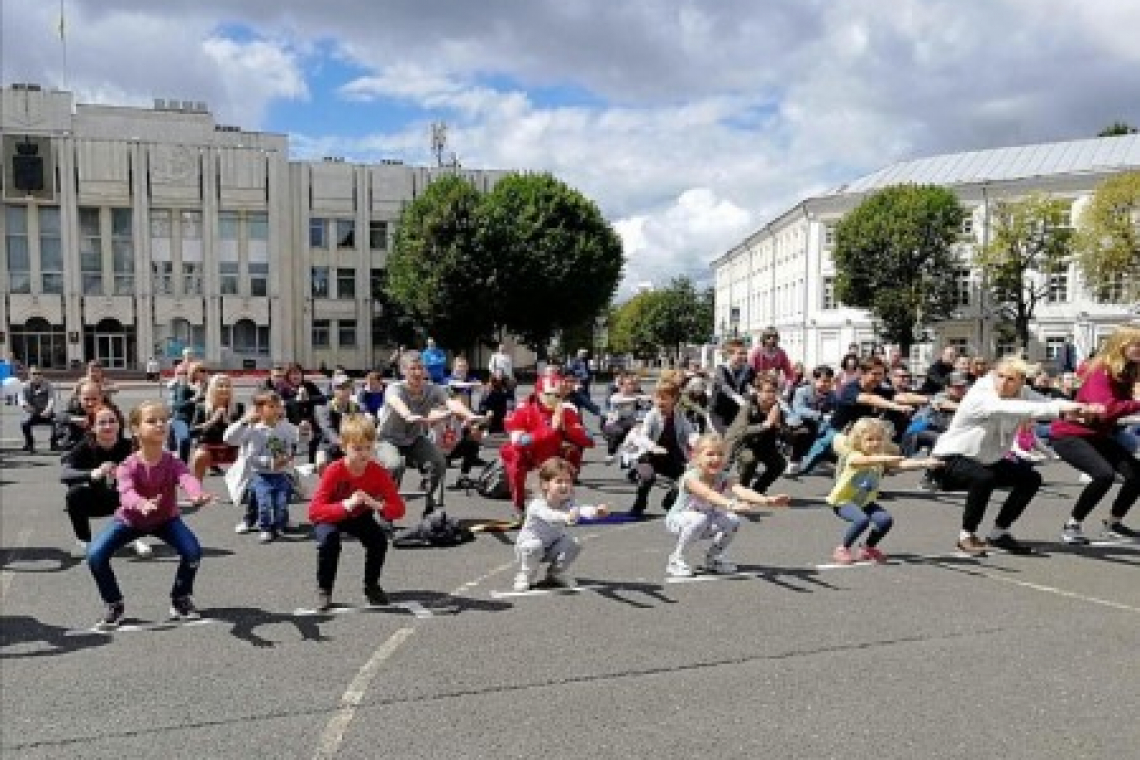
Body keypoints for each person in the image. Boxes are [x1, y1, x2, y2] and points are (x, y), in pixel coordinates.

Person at [932, 357, 1091, 556]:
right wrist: (1062, 410)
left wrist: (1083, 408)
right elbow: (1016, 409)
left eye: (1010, 379)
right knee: (983, 478)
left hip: (987, 460)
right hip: (949, 459)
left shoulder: (1024, 393)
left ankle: (999, 533)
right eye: (999, 376)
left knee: (1030, 478)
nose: (1003, 383)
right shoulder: (981, 393)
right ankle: (966, 536)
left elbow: (1047, 403)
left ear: (1021, 381)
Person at [86, 401, 214, 631]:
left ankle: (180, 599)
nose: (159, 424)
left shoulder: (172, 461)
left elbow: (187, 478)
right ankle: (114, 604)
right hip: (130, 520)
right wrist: (141, 503)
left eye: (163, 420)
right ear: (135, 429)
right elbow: (125, 493)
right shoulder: (127, 465)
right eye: (151, 421)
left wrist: (197, 494)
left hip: (166, 520)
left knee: (192, 551)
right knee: (95, 555)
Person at [1051, 325, 1140, 544]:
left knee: (1137, 475)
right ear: (1122, 345)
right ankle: (1072, 526)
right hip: (1070, 435)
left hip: (1096, 434)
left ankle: (1113, 523)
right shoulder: (1101, 370)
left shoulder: (1126, 371)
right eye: (1137, 344)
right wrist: (1136, 404)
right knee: (1103, 475)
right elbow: (1105, 408)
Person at [308, 416, 406, 612]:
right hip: (332, 515)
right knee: (329, 540)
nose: (364, 454)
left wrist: (377, 505)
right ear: (344, 447)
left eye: (368, 448)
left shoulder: (378, 472)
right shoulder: (334, 471)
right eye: (358, 448)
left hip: (360, 515)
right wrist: (346, 505)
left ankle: (371, 585)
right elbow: (314, 511)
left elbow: (399, 509)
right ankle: (324, 588)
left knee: (378, 540)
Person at [664, 433, 791, 578]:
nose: (716, 459)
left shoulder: (723, 477)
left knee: (732, 521)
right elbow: (708, 494)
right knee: (698, 519)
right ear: (696, 456)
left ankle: (713, 559)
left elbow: (742, 491)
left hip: (705, 519)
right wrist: (731, 504)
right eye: (710, 454)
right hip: (678, 521)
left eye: (720, 454)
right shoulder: (691, 478)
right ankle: (676, 560)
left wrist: (768, 501)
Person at [377, 350, 481, 517]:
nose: (418, 373)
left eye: (421, 368)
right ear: (404, 371)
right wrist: (407, 415)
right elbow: (396, 403)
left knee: (439, 462)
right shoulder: (394, 388)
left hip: (413, 439)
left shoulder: (433, 389)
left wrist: (469, 415)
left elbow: (451, 403)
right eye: (413, 369)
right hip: (387, 440)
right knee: (395, 465)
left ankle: (431, 508)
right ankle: (387, 511)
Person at [826, 418, 941, 564]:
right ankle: (842, 549)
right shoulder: (854, 455)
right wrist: (885, 458)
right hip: (843, 501)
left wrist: (925, 463)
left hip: (865, 501)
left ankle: (867, 548)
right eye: (869, 439)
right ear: (857, 440)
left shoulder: (879, 459)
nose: (875, 443)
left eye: (879, 439)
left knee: (885, 520)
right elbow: (863, 462)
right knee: (861, 520)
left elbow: (902, 464)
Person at [59, 403, 152, 559]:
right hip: (97, 498)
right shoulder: (84, 447)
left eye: (112, 421)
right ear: (93, 427)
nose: (108, 426)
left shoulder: (131, 446)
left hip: (125, 499)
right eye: (102, 423)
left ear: (119, 424)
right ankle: (83, 541)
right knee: (73, 494)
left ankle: (136, 537)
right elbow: (65, 474)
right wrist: (92, 473)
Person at [799, 358, 919, 476]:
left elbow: (902, 397)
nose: (878, 378)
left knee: (890, 451)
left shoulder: (881, 390)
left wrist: (929, 400)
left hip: (859, 434)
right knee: (805, 468)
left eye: (881, 375)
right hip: (837, 434)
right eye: (875, 374)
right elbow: (869, 399)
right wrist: (895, 406)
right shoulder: (850, 389)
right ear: (862, 373)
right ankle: (826, 460)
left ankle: (865, 485)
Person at [501, 373, 595, 515]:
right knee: (515, 458)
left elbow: (588, 441)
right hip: (528, 453)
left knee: (572, 452)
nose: (555, 399)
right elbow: (519, 442)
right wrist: (551, 428)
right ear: (539, 393)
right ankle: (518, 505)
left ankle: (563, 500)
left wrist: (568, 429)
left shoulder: (567, 409)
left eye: (558, 395)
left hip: (552, 453)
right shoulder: (523, 410)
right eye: (550, 395)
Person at [512, 457, 608, 591]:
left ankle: (556, 573)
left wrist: (596, 512)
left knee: (574, 543)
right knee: (533, 546)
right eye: (559, 482)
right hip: (529, 547)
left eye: (568, 481)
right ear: (545, 484)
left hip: (552, 546)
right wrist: (566, 516)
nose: (564, 486)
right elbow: (550, 516)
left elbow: (581, 509)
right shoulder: (537, 504)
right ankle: (525, 575)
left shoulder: (568, 501)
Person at [226, 391, 300, 543]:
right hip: (258, 473)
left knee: (280, 500)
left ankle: (280, 522)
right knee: (261, 500)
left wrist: (305, 432)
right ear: (258, 410)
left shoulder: (285, 426)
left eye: (278, 406)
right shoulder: (252, 428)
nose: (276, 410)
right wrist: (244, 421)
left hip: (281, 473)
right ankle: (260, 525)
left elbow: (300, 438)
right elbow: (229, 439)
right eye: (271, 406)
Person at [630, 383, 697, 518]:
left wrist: (698, 442)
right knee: (647, 477)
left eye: (664, 398)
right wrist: (653, 447)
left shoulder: (679, 415)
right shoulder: (651, 415)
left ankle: (669, 502)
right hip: (649, 456)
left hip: (671, 456)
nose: (660, 402)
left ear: (674, 399)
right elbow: (642, 436)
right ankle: (639, 503)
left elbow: (690, 433)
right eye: (657, 398)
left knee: (688, 479)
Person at [724, 375, 786, 494]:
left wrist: (779, 426)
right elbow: (741, 431)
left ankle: (758, 490)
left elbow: (787, 436)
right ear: (758, 392)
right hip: (742, 443)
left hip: (763, 445)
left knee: (779, 463)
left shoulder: (777, 409)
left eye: (774, 391)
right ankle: (743, 491)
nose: (771, 395)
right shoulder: (748, 407)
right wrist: (765, 425)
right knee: (749, 460)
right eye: (767, 391)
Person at [189, 373, 244, 480]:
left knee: (247, 457)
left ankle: (243, 492)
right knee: (199, 456)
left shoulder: (238, 407)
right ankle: (196, 492)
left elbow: (243, 432)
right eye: (220, 386)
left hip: (232, 446)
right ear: (213, 388)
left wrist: (228, 422)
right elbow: (192, 432)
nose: (224, 389)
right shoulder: (202, 407)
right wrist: (212, 421)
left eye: (227, 386)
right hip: (209, 445)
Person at [787, 366, 836, 475]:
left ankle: (821, 459)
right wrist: (820, 416)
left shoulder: (832, 395)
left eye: (829, 381)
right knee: (805, 430)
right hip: (798, 423)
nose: (826, 384)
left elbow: (835, 410)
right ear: (814, 380)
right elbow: (799, 409)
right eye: (823, 381)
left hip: (820, 425)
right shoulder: (802, 391)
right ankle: (794, 461)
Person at [315, 377, 364, 474]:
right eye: (340, 388)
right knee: (321, 463)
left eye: (347, 387)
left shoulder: (356, 408)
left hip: (350, 447)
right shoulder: (323, 408)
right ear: (333, 390)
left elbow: (360, 427)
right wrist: (341, 442)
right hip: (328, 447)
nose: (345, 391)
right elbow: (328, 429)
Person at [709, 339, 756, 433]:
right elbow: (726, 389)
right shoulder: (721, 369)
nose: (744, 356)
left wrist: (754, 394)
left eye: (745, 353)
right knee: (724, 440)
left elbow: (753, 385)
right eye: (740, 353)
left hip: (736, 412)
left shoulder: (748, 369)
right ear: (729, 355)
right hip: (719, 414)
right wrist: (742, 402)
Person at [18, 365, 58, 452]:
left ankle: (54, 443)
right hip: (33, 413)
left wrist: (48, 410)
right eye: (34, 373)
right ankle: (29, 444)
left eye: (39, 373)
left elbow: (52, 398)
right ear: (29, 375)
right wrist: (26, 406)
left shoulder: (48, 384)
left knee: (58, 422)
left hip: (46, 413)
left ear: (42, 375)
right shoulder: (24, 385)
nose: (36, 375)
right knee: (24, 424)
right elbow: (21, 398)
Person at [566, 348, 603, 422]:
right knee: (582, 400)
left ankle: (580, 421)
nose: (585, 355)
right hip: (579, 382)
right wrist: (579, 375)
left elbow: (589, 370)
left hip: (586, 382)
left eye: (585, 354)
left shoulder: (586, 361)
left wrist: (591, 372)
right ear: (579, 354)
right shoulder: (575, 361)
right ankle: (596, 412)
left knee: (583, 401)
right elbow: (570, 371)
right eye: (583, 353)